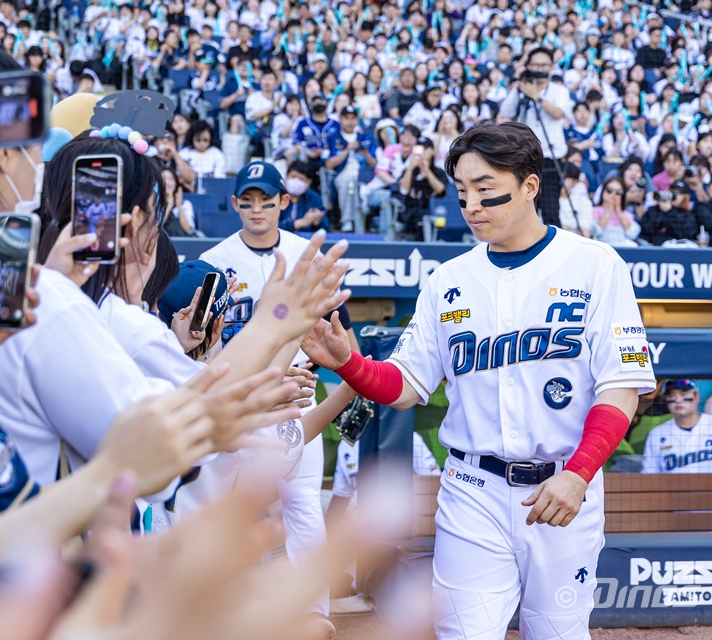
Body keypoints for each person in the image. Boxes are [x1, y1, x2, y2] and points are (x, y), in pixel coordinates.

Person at [302, 122, 656, 639]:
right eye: (463, 192)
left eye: (487, 191)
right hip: (474, 490)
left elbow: (620, 387)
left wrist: (579, 474)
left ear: (530, 187)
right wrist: (348, 362)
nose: (471, 206)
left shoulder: (595, 265)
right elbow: (403, 387)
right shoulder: (449, 279)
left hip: (563, 487)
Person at [199, 161, 358, 628]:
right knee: (224, 508)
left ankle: (314, 616)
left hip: (297, 392)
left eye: (266, 200)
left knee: (304, 503)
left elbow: (340, 329)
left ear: (284, 202)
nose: (257, 209)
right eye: (247, 201)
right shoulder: (214, 259)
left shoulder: (306, 253)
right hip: (239, 399)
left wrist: (355, 379)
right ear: (234, 204)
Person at [499, 47, 573, 227]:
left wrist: (536, 97)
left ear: (551, 67)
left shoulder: (559, 90)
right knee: (524, 208)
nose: (540, 68)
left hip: (550, 157)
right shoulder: (520, 89)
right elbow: (505, 111)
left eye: (544, 64)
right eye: (535, 64)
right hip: (524, 157)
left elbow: (558, 113)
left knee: (550, 211)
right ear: (528, 66)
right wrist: (518, 88)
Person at [641, 380, 712, 474]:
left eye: (683, 394)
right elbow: (649, 474)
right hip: (674, 492)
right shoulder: (657, 434)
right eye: (671, 396)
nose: (678, 400)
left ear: (696, 397)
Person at [324, 106, 376, 232]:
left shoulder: (365, 138)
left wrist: (366, 155)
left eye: (353, 118)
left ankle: (369, 220)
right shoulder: (332, 137)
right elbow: (328, 164)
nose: (350, 122)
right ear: (340, 119)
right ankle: (347, 220)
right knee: (349, 180)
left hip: (364, 173)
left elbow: (374, 164)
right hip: (341, 172)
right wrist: (347, 150)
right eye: (346, 118)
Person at [397, 138, 448, 241]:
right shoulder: (408, 171)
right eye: (419, 148)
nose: (422, 152)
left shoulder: (438, 172)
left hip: (432, 212)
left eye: (425, 148)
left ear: (432, 150)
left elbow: (441, 190)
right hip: (411, 214)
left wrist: (427, 171)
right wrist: (410, 168)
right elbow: (403, 190)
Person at [592, 176, 641, 247]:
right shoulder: (594, 210)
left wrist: (619, 212)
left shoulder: (626, 214)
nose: (613, 194)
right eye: (609, 190)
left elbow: (632, 234)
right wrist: (608, 212)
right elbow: (594, 232)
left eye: (618, 192)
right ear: (602, 192)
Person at [280, 161, 328, 233]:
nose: (296, 181)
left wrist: (318, 221)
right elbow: (270, 226)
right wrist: (299, 223)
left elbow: (325, 226)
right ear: (286, 177)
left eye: (301, 179)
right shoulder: (276, 196)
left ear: (308, 183)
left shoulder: (314, 198)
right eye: (293, 177)